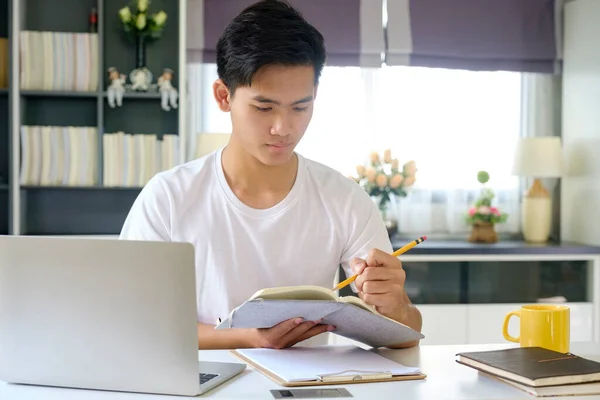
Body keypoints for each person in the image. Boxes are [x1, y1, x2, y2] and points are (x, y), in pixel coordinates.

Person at [119, 0, 422, 350]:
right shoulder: (168, 197)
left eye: (300, 107)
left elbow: (405, 337)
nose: (283, 128)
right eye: (264, 107)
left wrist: (396, 304)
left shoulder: (344, 198)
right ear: (223, 96)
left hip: (308, 388)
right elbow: (134, 322)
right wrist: (249, 339)